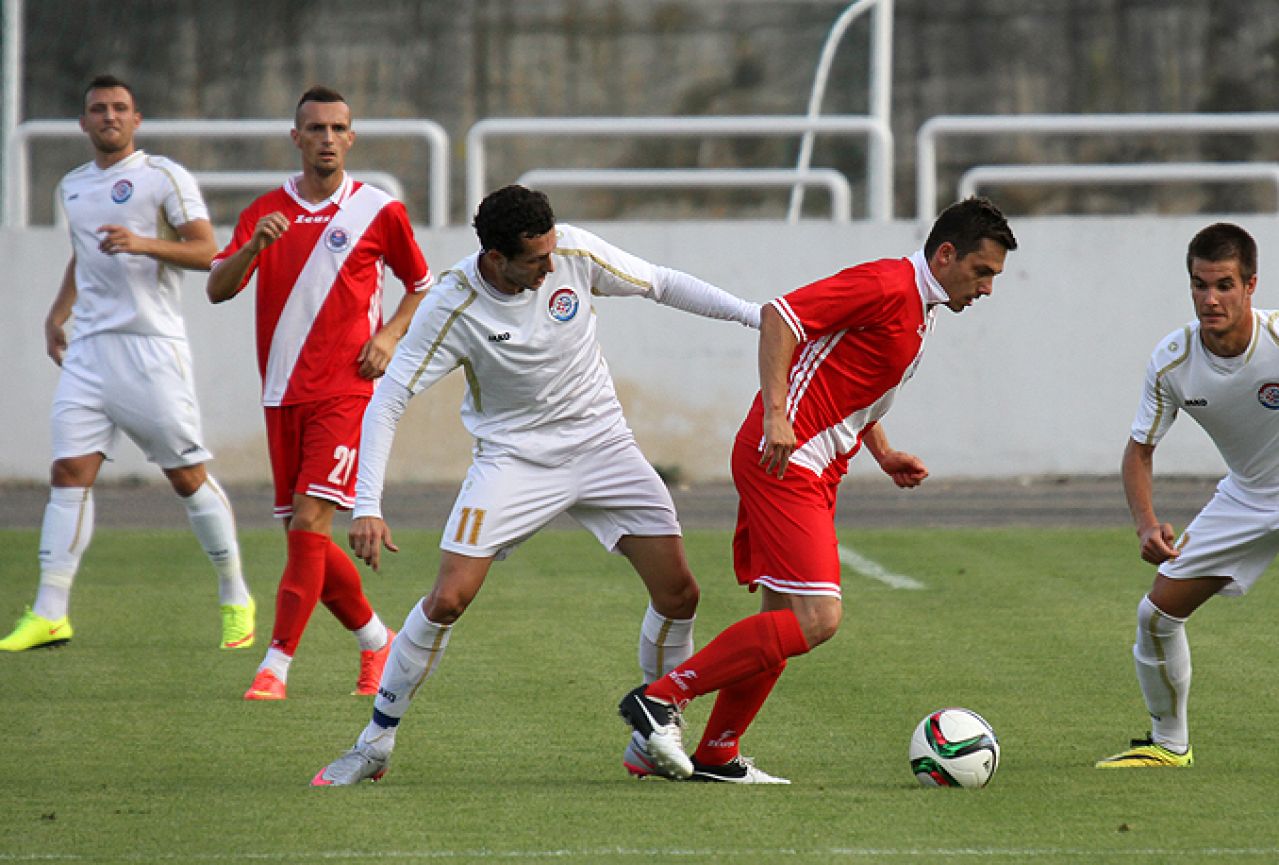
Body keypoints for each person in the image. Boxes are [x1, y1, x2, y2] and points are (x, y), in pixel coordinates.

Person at [310, 184, 761, 786]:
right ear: (496, 259)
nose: (552, 267)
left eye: (552, 252)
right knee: (448, 600)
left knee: (680, 594)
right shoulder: (453, 304)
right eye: (536, 260)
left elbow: (661, 282)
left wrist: (756, 316)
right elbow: (388, 397)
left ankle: (655, 730)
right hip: (513, 460)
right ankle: (374, 743)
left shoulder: (571, 251)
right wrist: (366, 504)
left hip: (603, 447)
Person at [618, 197, 1017, 784]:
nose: (986, 289)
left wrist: (882, 453)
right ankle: (660, 698)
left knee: (782, 617)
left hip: (813, 463)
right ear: (947, 253)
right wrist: (778, 415)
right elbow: (781, 316)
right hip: (786, 457)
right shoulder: (887, 283)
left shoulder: (920, 306)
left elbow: (847, 379)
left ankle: (717, 754)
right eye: (983, 273)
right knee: (818, 617)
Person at [0, 75, 255, 653]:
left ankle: (235, 592)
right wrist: (57, 312)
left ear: (136, 119)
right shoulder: (72, 186)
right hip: (89, 350)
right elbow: (84, 254)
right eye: (98, 110)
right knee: (68, 474)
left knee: (186, 477)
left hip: (150, 347)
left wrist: (144, 244)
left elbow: (207, 249)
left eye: (119, 108)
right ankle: (50, 611)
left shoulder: (163, 177)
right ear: (83, 123)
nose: (109, 117)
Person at [206, 86, 431, 701]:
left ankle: (275, 665)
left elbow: (421, 284)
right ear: (296, 137)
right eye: (315, 128)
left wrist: (388, 334)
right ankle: (377, 641)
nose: (327, 138)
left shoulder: (378, 210)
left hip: (347, 390)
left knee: (310, 520)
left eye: (338, 127)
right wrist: (253, 247)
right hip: (281, 393)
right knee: (305, 539)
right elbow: (217, 288)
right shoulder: (263, 211)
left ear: (351, 138)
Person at [1096, 223, 1273, 769]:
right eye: (1199, 285)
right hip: (1246, 498)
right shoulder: (1173, 361)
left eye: (1223, 285)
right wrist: (1147, 524)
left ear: (1251, 286)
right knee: (1156, 615)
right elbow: (1138, 452)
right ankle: (1170, 745)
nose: (1210, 299)